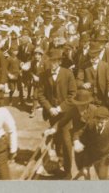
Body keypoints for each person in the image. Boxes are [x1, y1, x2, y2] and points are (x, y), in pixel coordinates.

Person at [37, 48, 77, 179]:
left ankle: (68, 171)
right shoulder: (44, 75)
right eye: (51, 61)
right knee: (57, 140)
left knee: (66, 142)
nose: (52, 64)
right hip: (52, 115)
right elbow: (41, 95)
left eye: (55, 61)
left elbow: (72, 95)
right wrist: (49, 109)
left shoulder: (68, 74)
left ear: (59, 62)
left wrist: (59, 108)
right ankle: (58, 164)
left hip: (65, 115)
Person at [73, 106, 109, 180]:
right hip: (91, 154)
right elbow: (78, 133)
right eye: (98, 120)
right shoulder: (90, 124)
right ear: (94, 119)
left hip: (104, 155)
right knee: (85, 171)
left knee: (102, 176)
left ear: (107, 120)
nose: (100, 124)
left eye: (102, 121)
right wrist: (76, 141)